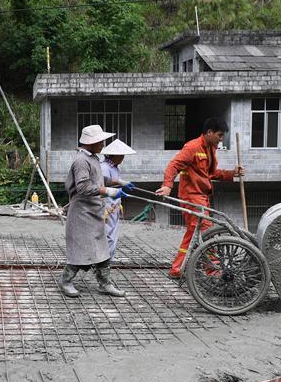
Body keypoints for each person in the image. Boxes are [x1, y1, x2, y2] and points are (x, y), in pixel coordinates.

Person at [156, 117, 245, 279]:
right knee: (206, 232)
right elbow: (173, 165)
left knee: (193, 234)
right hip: (191, 197)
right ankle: (212, 270)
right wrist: (167, 185)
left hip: (201, 197)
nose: (221, 139)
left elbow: (211, 174)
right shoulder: (193, 147)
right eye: (219, 135)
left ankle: (177, 269)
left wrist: (233, 174)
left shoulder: (210, 149)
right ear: (209, 132)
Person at [58, 125, 131, 299]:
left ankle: (105, 283)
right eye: (100, 141)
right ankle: (65, 281)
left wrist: (118, 182)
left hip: (94, 210)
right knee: (81, 250)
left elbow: (99, 178)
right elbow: (82, 186)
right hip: (82, 213)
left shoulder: (93, 159)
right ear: (91, 143)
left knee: (102, 249)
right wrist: (107, 191)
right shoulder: (81, 161)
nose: (103, 144)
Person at [100, 139, 137, 261]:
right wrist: (121, 183)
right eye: (121, 155)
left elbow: (116, 184)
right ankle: (104, 258)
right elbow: (104, 185)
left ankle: (110, 256)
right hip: (107, 204)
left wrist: (122, 185)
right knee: (108, 232)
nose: (122, 158)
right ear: (114, 155)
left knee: (114, 232)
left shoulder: (116, 168)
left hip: (115, 204)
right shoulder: (104, 167)